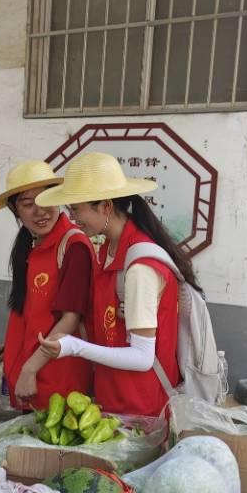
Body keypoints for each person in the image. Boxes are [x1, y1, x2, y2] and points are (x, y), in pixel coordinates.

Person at [34, 152, 202, 417]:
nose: (73, 218)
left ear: (106, 206)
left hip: (141, 410)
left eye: (77, 209)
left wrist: (72, 347)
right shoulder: (107, 252)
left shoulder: (140, 268)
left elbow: (142, 358)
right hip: (113, 402)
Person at [0, 160, 95, 410]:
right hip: (31, 367)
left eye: (46, 199)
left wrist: (29, 368)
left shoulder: (73, 246)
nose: (40, 210)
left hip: (57, 376)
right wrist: (15, 343)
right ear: (15, 210)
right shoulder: (31, 243)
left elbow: (70, 319)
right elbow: (35, 309)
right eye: (27, 204)